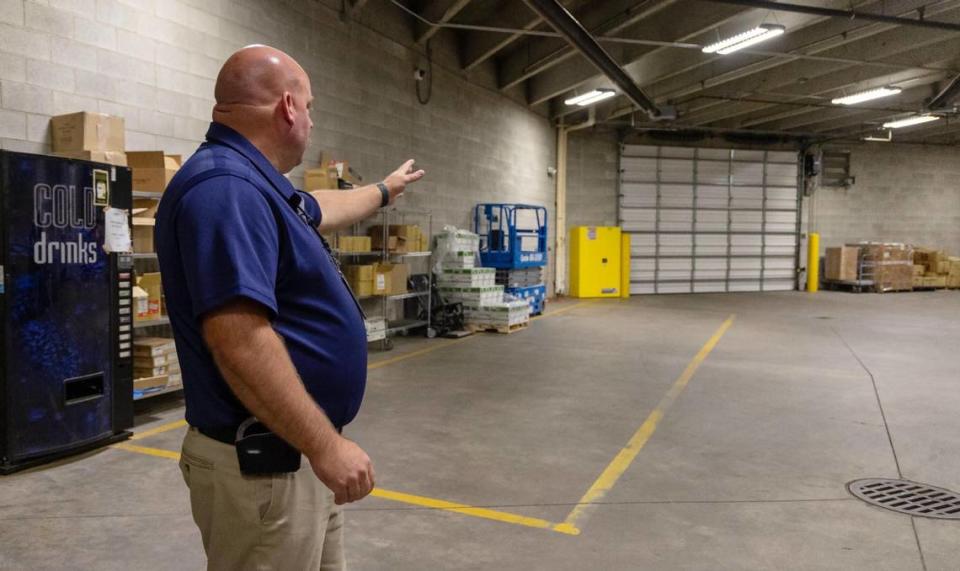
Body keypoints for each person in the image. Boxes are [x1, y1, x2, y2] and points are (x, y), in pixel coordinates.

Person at [155, 44, 425, 570]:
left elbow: (322, 210)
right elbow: (240, 340)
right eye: (311, 106)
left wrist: (385, 191)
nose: (311, 118)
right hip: (266, 468)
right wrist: (325, 446)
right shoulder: (227, 189)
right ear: (287, 108)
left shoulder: (256, 183)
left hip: (291, 460)